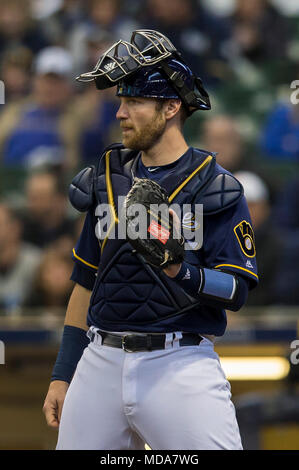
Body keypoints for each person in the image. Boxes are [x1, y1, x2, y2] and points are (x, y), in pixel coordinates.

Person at [43, 30, 258, 450]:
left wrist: (180, 270)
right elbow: (85, 282)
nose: (121, 114)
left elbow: (236, 289)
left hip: (179, 361)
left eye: (134, 102)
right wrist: (62, 373)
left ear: (171, 107)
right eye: (121, 102)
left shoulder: (215, 186)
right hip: (100, 357)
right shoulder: (107, 177)